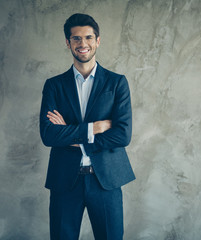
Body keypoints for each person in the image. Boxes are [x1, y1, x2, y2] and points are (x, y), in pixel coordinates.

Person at [39, 13, 135, 240]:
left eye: (88, 37)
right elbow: (49, 135)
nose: (83, 44)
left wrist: (69, 133)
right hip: (65, 181)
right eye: (76, 39)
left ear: (98, 40)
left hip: (106, 180)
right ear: (68, 43)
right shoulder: (54, 86)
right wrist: (94, 129)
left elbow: (122, 135)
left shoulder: (116, 83)